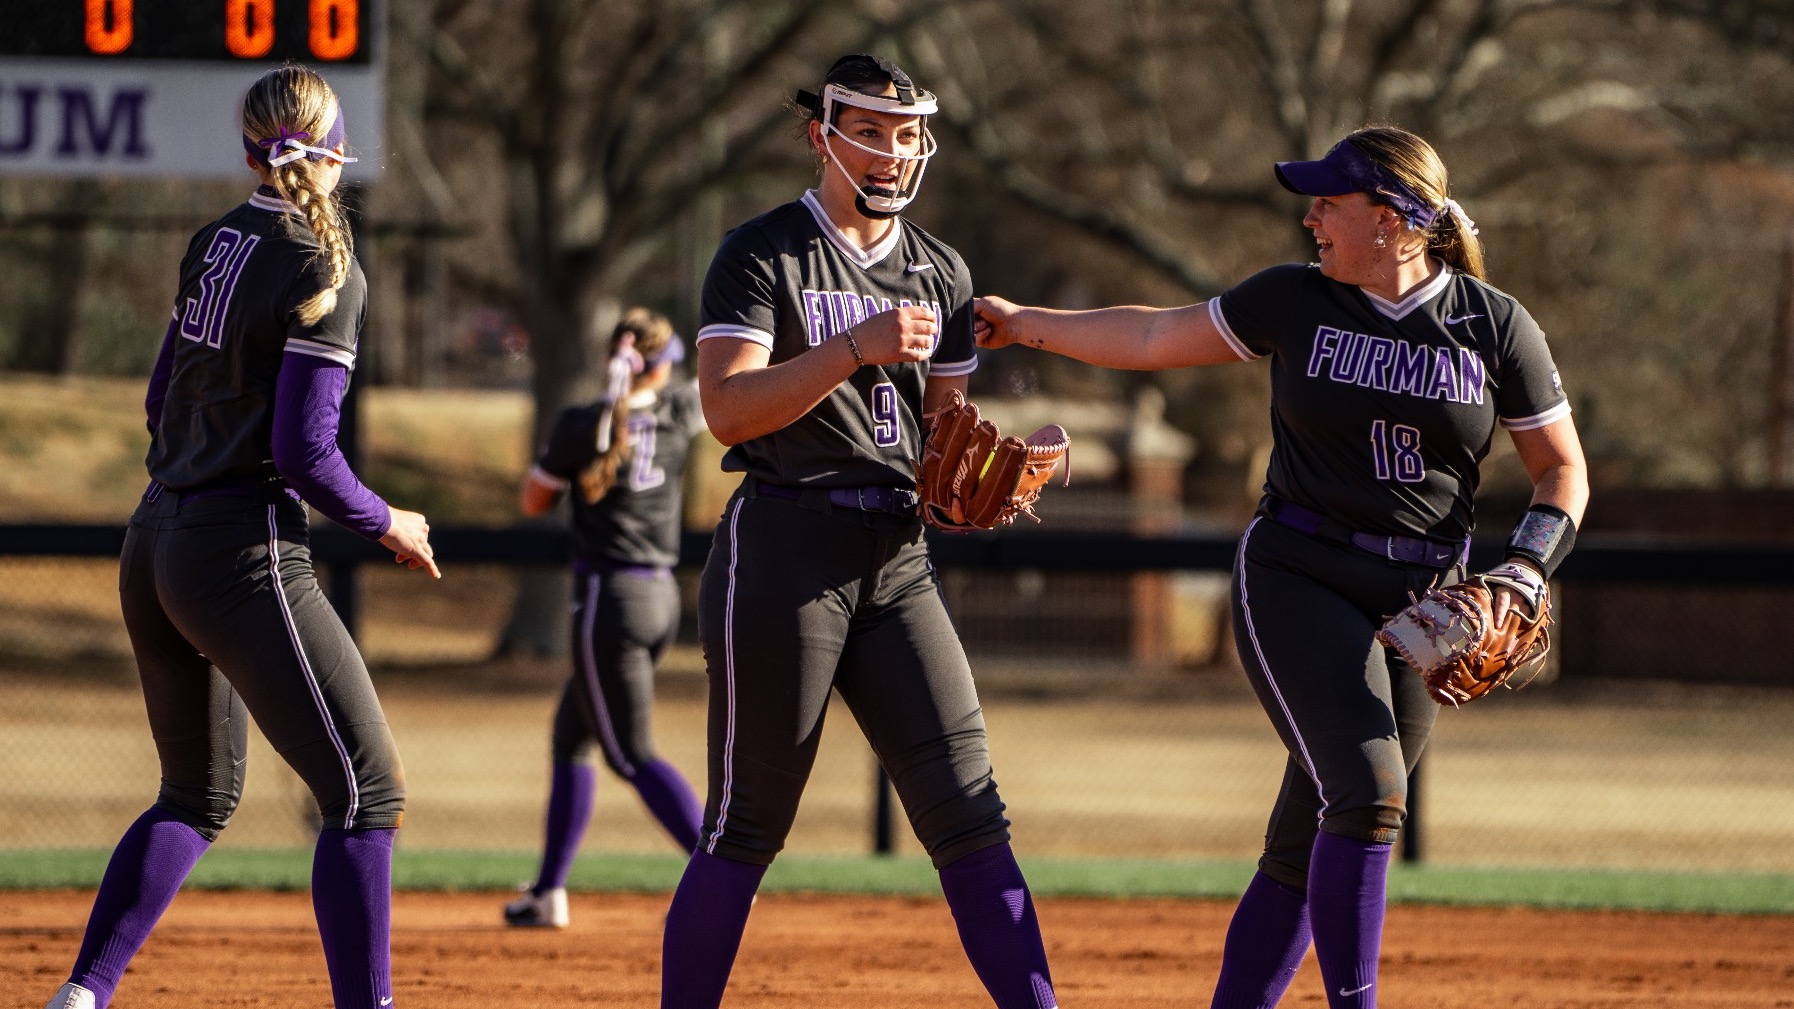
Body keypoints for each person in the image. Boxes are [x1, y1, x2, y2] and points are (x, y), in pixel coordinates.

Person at [975, 125, 1588, 1009]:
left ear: (1395, 220)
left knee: (1308, 840)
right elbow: (1155, 336)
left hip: (1425, 601)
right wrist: (1030, 325)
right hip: (1299, 572)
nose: (1311, 219)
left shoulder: (1495, 327)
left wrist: (1524, 571)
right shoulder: (1296, 300)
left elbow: (1562, 471)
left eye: (1330, 203)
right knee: (1371, 791)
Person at [659, 53, 1061, 1009]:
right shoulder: (762, 253)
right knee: (745, 824)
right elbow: (726, 409)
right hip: (786, 550)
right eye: (871, 129)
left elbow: (943, 446)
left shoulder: (942, 269)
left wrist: (1016, 464)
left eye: (908, 132)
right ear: (821, 135)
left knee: (971, 815)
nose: (891, 151)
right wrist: (854, 347)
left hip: (898, 562)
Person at [42, 66, 437, 1009]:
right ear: (334, 144)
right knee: (365, 796)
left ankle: (82, 993)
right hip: (240, 549)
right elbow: (303, 453)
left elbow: (155, 399)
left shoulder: (216, 238)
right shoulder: (325, 264)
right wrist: (389, 519)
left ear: (249, 147)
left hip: (155, 538)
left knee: (195, 795)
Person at [501, 307, 707, 928]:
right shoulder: (676, 412)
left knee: (630, 755)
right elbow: (717, 389)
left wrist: (578, 458)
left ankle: (722, 870)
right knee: (572, 737)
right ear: (662, 364)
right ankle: (547, 892)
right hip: (661, 598)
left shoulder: (583, 423)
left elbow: (534, 501)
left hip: (607, 603)